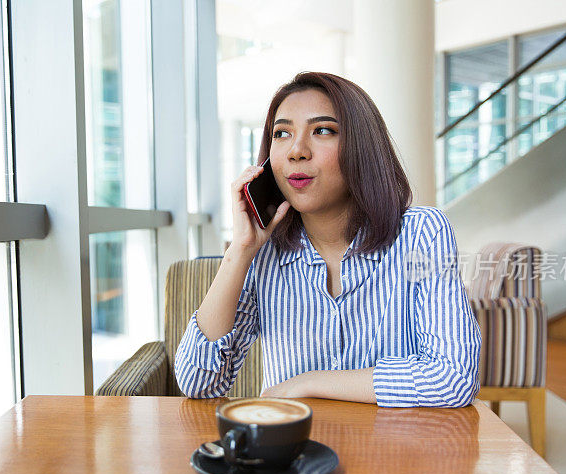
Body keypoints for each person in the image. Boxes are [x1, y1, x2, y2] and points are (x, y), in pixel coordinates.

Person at [174, 72, 481, 407]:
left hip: (396, 452)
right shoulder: (262, 253)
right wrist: (240, 252)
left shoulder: (423, 233)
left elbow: (454, 378)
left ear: (362, 147)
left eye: (322, 130)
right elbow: (199, 383)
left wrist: (308, 383)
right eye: (282, 133)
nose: (296, 150)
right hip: (295, 455)